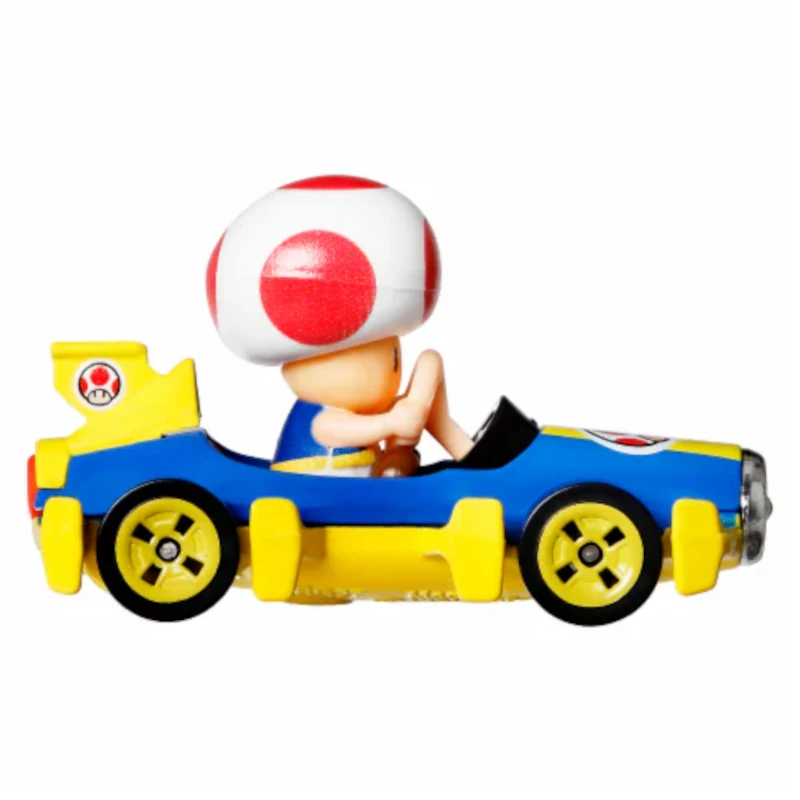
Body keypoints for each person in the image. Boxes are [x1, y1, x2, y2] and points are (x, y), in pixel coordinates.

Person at [206, 175, 473, 476]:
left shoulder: (363, 411)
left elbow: (399, 412)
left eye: (392, 357)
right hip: (318, 487)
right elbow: (348, 430)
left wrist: (411, 420)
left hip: (359, 481)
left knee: (429, 366)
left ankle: (468, 451)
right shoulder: (323, 421)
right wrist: (392, 423)